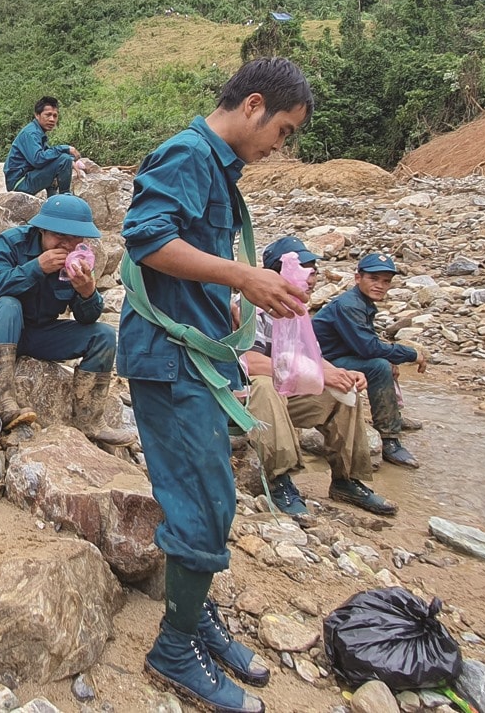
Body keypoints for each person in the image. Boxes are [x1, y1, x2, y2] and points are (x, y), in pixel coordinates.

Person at [118, 57, 315, 713]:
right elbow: (145, 241)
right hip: (170, 360)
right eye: (283, 131)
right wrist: (242, 278)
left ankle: (194, 621)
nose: (278, 147)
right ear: (254, 104)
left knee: (212, 495)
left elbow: (184, 254)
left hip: (192, 352)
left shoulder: (215, 163)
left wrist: (223, 296)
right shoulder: (186, 153)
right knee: (202, 500)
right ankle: (173, 650)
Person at [235, 236, 395, 517]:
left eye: (313, 270)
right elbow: (248, 361)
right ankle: (279, 478)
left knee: (343, 394)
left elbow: (311, 357)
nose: (311, 278)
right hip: (242, 399)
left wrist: (339, 373)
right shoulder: (249, 306)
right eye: (304, 269)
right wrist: (318, 374)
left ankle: (346, 480)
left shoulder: (296, 311)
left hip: (286, 394)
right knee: (263, 386)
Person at [0, 194, 137, 445]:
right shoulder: (12, 243)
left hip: (38, 334)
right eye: (60, 238)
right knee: (8, 304)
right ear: (42, 231)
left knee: (102, 335)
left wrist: (87, 293)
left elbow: (87, 318)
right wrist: (35, 268)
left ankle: (90, 421)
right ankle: (3, 402)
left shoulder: (80, 258)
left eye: (76, 239)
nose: (69, 246)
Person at [314, 253, 424, 469]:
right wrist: (411, 354)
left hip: (335, 355)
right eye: (374, 279)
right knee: (380, 366)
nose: (380, 286)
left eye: (385, 281)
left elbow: (367, 342)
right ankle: (389, 438)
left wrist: (389, 355)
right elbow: (368, 347)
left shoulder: (360, 301)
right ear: (358, 278)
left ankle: (391, 415)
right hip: (322, 362)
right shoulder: (349, 305)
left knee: (384, 361)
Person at [3, 96, 78, 195]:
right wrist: (65, 149)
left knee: (63, 160)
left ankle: (53, 201)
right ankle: (65, 197)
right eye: (48, 115)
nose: (52, 119)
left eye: (55, 116)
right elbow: (38, 160)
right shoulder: (30, 133)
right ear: (37, 115)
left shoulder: (38, 132)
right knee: (64, 160)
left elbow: (49, 155)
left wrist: (71, 161)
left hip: (27, 177)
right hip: (19, 183)